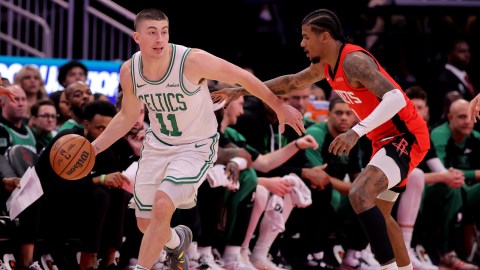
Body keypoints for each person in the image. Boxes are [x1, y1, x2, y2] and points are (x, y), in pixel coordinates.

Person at [212, 8, 430, 270]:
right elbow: (291, 82)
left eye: (306, 37)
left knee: (360, 194)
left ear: (325, 37)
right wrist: (239, 91)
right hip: (383, 139)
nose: (302, 43)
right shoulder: (327, 65)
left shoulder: (353, 60)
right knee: (381, 215)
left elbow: (395, 97)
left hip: (405, 135)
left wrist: (354, 131)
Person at [90, 8, 304, 270]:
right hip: (158, 145)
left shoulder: (191, 60)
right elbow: (127, 115)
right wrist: (93, 148)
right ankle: (177, 240)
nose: (160, 39)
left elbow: (243, 76)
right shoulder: (130, 71)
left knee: (161, 206)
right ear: (137, 38)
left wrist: (279, 106)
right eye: (152, 33)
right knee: (145, 224)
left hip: (195, 147)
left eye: (164, 32)